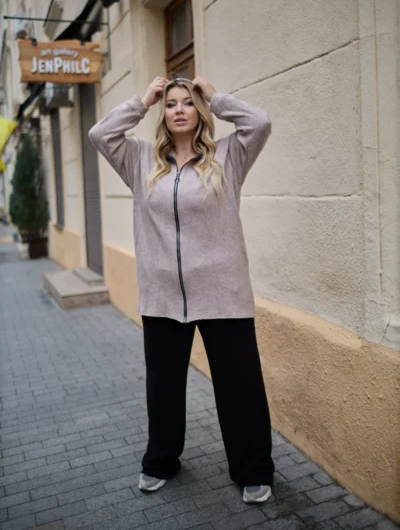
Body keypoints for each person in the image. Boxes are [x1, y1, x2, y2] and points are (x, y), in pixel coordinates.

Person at [89, 76, 275, 503]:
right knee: (163, 386)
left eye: (187, 103)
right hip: (162, 294)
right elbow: (100, 133)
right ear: (162, 113)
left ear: (199, 111)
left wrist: (215, 96)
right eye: (170, 103)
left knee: (240, 386)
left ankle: (253, 470)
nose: (178, 109)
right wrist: (142, 101)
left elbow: (260, 123)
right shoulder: (139, 160)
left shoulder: (229, 156)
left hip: (223, 292)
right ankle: (161, 460)